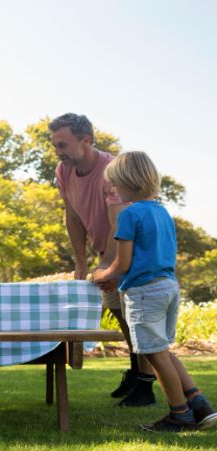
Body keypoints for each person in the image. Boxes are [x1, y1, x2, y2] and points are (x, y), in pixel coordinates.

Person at [93, 151, 217, 432]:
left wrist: (103, 274)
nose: (112, 189)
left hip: (144, 292)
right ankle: (199, 404)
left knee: (154, 355)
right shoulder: (161, 212)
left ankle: (180, 415)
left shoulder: (129, 214)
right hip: (168, 286)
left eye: (114, 183)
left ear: (127, 182)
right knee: (163, 350)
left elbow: (122, 262)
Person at [49, 113, 156, 407]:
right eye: (55, 145)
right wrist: (81, 263)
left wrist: (108, 268)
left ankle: (146, 386)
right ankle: (136, 373)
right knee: (122, 318)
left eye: (63, 144)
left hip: (131, 254)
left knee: (137, 320)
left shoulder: (111, 169)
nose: (58, 152)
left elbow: (118, 223)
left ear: (86, 140)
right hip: (104, 253)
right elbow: (72, 216)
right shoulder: (63, 171)